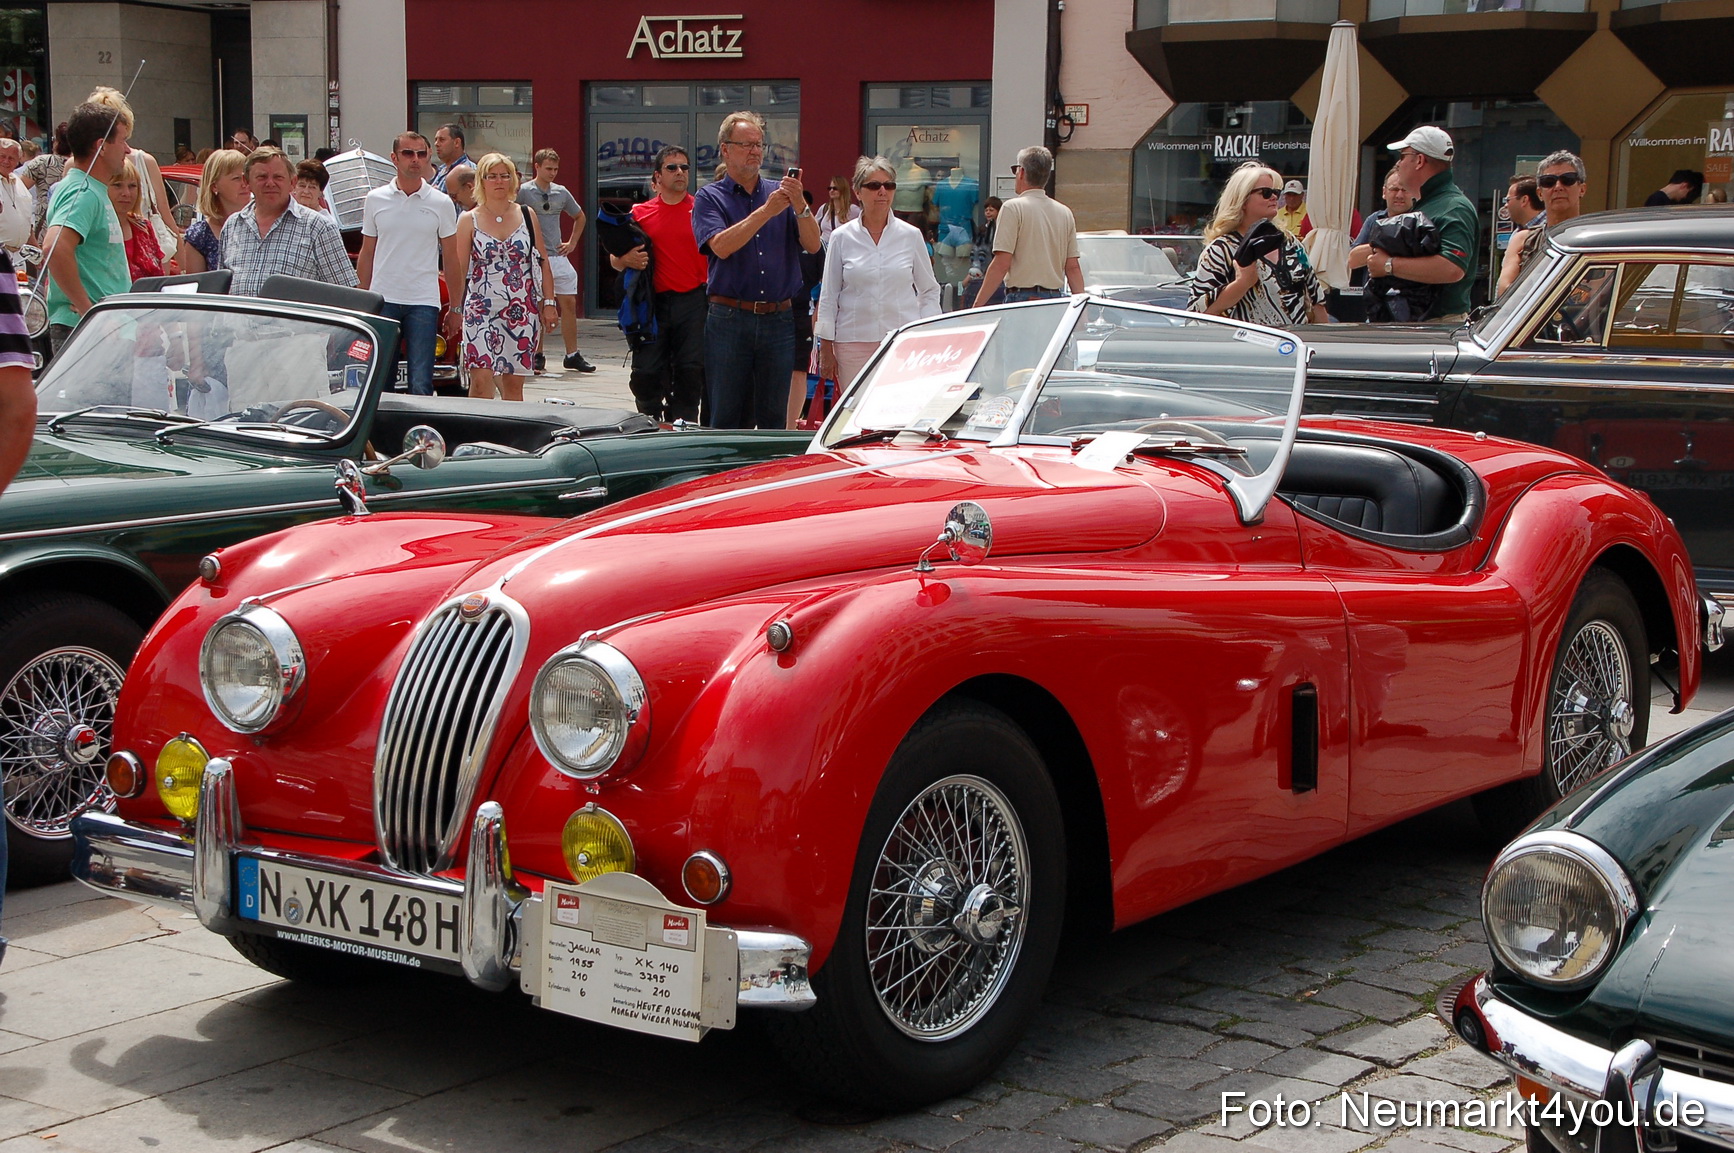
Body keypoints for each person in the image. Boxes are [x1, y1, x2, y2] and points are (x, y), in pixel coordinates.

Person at [691, 110, 821, 429]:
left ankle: (767, 475)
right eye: (746, 144)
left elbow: (814, 245)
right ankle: (724, 477)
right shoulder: (710, 197)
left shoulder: (781, 193)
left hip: (778, 318)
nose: (755, 151)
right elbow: (720, 246)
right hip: (729, 319)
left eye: (759, 145)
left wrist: (801, 207)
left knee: (774, 415)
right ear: (725, 149)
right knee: (726, 413)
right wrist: (766, 211)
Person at [815, 156, 942, 389]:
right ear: (857, 192)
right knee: (855, 415)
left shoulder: (911, 235)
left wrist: (927, 332)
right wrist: (825, 347)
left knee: (898, 413)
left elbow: (929, 290)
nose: (882, 191)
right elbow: (829, 294)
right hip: (852, 343)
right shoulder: (841, 237)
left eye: (889, 185)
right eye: (874, 186)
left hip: (902, 343)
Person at [609, 144, 707, 422]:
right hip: (653, 304)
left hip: (694, 302)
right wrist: (626, 258)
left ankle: (685, 426)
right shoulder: (640, 213)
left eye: (685, 167)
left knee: (690, 371)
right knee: (646, 373)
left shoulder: (703, 209)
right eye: (672, 167)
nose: (680, 172)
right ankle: (651, 421)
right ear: (657, 177)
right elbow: (615, 261)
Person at [358, 132, 459, 396]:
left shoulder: (441, 202)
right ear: (394, 158)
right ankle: (381, 436)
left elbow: (451, 257)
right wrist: (361, 301)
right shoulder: (375, 199)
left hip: (423, 300)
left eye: (421, 153)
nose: (415, 160)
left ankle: (419, 436)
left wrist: (457, 307)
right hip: (383, 299)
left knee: (421, 382)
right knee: (381, 381)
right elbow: (367, 252)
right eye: (408, 153)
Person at [451, 153, 557, 402]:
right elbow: (459, 269)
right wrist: (455, 307)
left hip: (520, 307)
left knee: (513, 385)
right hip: (481, 308)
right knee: (480, 379)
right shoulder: (469, 220)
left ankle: (511, 437)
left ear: (512, 180)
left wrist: (549, 303)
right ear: (481, 181)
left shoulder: (526, 214)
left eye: (504, 176)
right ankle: (478, 433)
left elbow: (543, 262)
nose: (499, 181)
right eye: (492, 176)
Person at [1187, 161, 1327, 328]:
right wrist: (1243, 283)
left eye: (1276, 192)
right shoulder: (1221, 250)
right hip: (1248, 348)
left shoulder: (1290, 243)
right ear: (1243, 200)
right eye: (1266, 193)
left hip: (1294, 346)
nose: (1275, 197)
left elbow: (1316, 299)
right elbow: (1196, 314)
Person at [42, 101, 132, 352]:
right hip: (89, 332)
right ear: (101, 146)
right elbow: (54, 246)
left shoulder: (91, 189)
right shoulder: (83, 191)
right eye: (123, 140)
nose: (127, 149)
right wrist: (89, 311)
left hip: (104, 329)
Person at [1366, 126, 1477, 323]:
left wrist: (1388, 265)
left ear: (1419, 160)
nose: (1398, 164)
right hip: (1423, 323)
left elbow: (1452, 268)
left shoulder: (1453, 207)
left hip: (1439, 325)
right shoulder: (1432, 203)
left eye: (1402, 156)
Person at [221, 146, 357, 296]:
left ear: (292, 182)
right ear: (246, 182)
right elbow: (221, 292)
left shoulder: (319, 228)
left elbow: (346, 296)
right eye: (262, 177)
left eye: (278, 177)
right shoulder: (232, 226)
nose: (270, 183)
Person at [970, 145, 1082, 306]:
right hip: (1055, 300)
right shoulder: (1064, 212)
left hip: (1022, 297)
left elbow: (1001, 264)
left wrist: (976, 307)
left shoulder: (1012, 208)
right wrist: (1082, 310)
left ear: (1021, 172)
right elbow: (1072, 268)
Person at [518, 148, 592, 372]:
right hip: (535, 255)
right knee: (540, 303)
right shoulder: (523, 192)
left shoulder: (561, 192)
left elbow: (579, 216)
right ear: (537, 167)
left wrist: (572, 242)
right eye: (548, 169)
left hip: (557, 255)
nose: (552, 173)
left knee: (568, 303)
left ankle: (572, 353)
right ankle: (538, 353)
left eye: (555, 169)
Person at [88, 86, 179, 257]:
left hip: (144, 253)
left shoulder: (145, 162)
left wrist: (185, 270)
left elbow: (165, 216)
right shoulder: (79, 167)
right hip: (102, 254)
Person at [1503, 150, 1588, 299]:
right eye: (1548, 181)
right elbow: (1506, 292)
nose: (1558, 187)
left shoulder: (1595, 241)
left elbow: (1594, 294)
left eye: (1567, 179)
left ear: (1582, 189)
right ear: (1540, 193)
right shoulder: (1522, 241)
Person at [178, 148, 248, 274]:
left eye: (246, 177)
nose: (245, 184)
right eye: (237, 178)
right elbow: (198, 287)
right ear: (214, 186)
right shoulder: (199, 235)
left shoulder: (262, 224)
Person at [109, 158, 164, 282]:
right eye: (118, 185)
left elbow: (159, 276)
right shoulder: (95, 228)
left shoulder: (144, 226)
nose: (126, 193)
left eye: (132, 186)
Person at [1494, 174, 1545, 298]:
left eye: (1508, 200)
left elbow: (1506, 289)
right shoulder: (1518, 232)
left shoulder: (1548, 231)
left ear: (1524, 200)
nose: (1505, 205)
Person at [20, 122, 69, 246]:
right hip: (71, 224)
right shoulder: (84, 165)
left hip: (44, 226)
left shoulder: (42, 162)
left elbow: (18, 190)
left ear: (56, 142)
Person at [962, 196, 1003, 307]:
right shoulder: (982, 230)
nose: (988, 212)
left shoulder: (1002, 229)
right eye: (986, 210)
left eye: (992, 210)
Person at [0, 139, 32, 264]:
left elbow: (28, 220)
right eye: (2, 156)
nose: (6, 161)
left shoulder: (18, 182)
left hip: (19, 257)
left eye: (11, 158)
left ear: (18, 161)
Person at [431, 123, 472, 194]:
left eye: (442, 139)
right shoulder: (441, 169)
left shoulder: (468, 171)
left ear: (457, 142)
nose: (436, 144)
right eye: (436, 140)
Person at [816, 176, 858, 240]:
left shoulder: (853, 209)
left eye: (835, 188)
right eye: (830, 188)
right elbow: (814, 227)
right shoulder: (824, 208)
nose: (831, 190)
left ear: (842, 189)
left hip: (841, 246)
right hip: (824, 246)